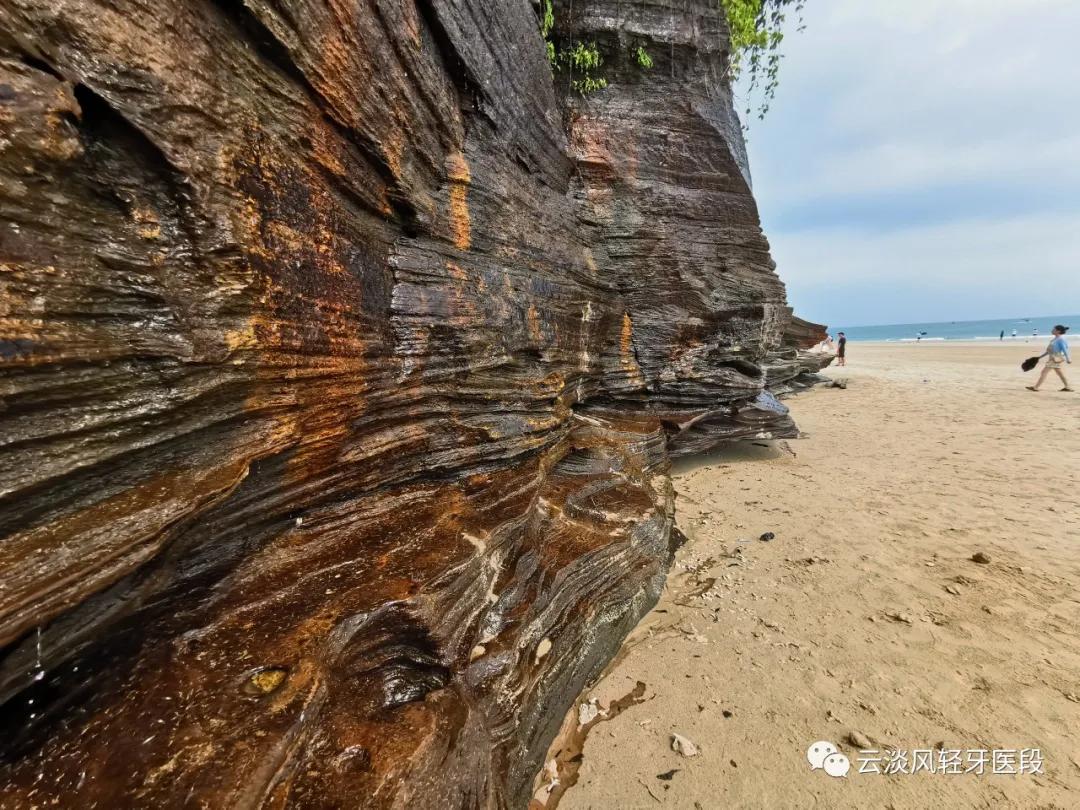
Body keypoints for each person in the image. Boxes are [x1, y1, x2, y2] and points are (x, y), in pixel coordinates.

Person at [1026, 324, 1072, 392]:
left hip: (1055, 359)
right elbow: (1049, 351)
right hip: (1052, 358)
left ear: (1058, 331)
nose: (1052, 330)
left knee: (1044, 372)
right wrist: (1040, 357)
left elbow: (1065, 349)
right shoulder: (1054, 339)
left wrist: (1068, 359)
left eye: (1054, 329)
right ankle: (1067, 387)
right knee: (1060, 373)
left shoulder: (1061, 339)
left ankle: (1035, 387)